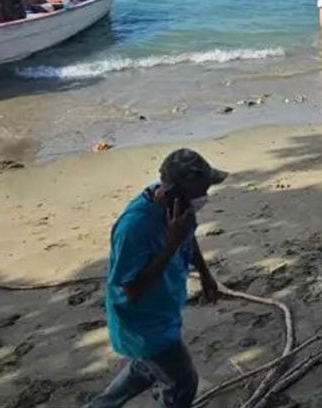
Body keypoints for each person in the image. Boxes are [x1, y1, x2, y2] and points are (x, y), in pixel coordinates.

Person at [85, 149, 227, 408]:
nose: (204, 199)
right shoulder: (134, 228)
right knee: (183, 383)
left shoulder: (179, 211)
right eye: (200, 193)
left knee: (146, 369)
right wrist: (171, 244)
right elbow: (132, 291)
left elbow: (188, 237)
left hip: (163, 309)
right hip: (142, 324)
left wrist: (206, 274)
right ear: (174, 194)